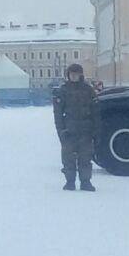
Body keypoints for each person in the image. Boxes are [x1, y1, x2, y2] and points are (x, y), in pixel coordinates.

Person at [54, 63, 97, 191]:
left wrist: (96, 130)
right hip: (69, 130)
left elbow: (95, 111)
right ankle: (70, 182)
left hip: (86, 130)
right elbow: (58, 114)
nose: (74, 76)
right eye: (72, 74)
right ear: (68, 75)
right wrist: (61, 131)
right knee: (68, 159)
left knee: (85, 158)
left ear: (81, 75)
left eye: (76, 74)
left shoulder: (88, 90)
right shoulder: (63, 90)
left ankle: (86, 182)